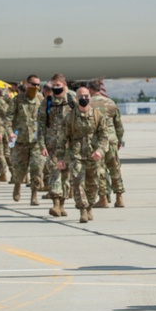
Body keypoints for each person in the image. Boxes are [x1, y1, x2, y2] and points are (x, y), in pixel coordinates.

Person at [65, 86, 110, 223]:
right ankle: (83, 210)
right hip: (76, 155)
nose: (83, 99)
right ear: (76, 99)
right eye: (80, 97)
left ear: (89, 97)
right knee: (78, 183)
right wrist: (62, 158)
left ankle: (90, 205)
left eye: (86, 96)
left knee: (93, 184)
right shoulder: (70, 117)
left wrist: (100, 151)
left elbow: (104, 136)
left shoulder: (98, 116)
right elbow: (62, 139)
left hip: (93, 155)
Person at [38, 74, 74, 217]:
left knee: (66, 177)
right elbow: (40, 125)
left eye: (58, 85)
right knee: (54, 173)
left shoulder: (72, 101)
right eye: (54, 85)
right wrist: (42, 145)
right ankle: (55, 204)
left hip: (68, 145)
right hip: (52, 144)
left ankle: (62, 205)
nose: (56, 88)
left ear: (64, 84)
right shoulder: (46, 102)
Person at [9, 74, 46, 204]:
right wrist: (10, 132)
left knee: (37, 169)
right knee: (19, 169)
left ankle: (34, 195)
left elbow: (46, 120)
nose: (35, 87)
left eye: (37, 85)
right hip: (21, 141)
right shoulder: (17, 100)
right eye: (33, 84)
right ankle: (17, 185)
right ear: (27, 84)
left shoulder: (41, 100)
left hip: (36, 142)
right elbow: (8, 118)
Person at [88, 78, 125, 208]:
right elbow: (118, 125)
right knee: (115, 168)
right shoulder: (111, 103)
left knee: (100, 170)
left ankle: (103, 198)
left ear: (90, 90)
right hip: (111, 139)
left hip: (96, 142)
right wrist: (119, 140)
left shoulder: (88, 104)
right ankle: (119, 197)